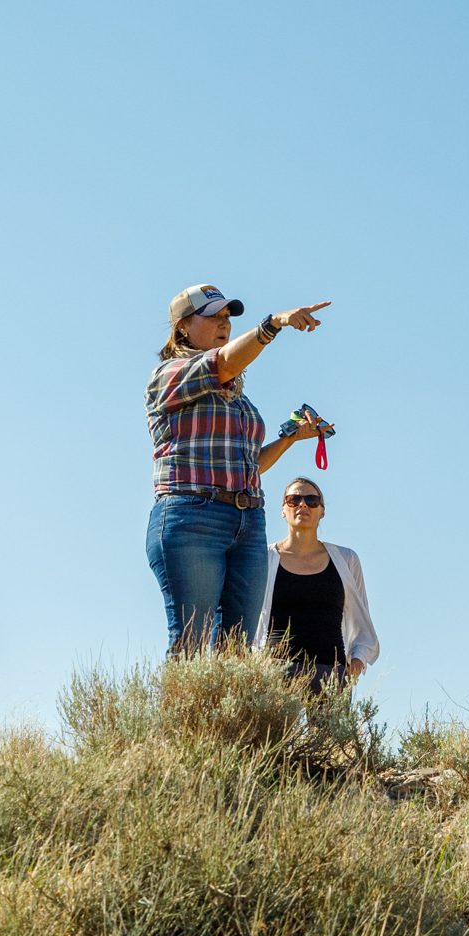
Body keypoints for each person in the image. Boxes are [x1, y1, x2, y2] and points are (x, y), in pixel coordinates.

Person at [145, 284, 331, 654]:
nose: (223, 324)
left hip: (247, 522)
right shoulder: (169, 375)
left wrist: (291, 438)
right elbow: (225, 362)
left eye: (228, 318)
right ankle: (184, 714)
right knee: (192, 646)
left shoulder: (236, 396)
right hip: (192, 518)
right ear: (182, 326)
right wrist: (273, 324)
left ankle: (226, 715)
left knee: (237, 652)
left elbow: (249, 466)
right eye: (213, 316)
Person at [254, 477, 379, 689]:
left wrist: (356, 663)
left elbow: (362, 619)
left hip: (332, 673)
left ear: (322, 511)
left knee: (331, 725)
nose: (303, 504)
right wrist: (257, 663)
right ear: (283, 509)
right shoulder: (262, 557)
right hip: (275, 671)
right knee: (271, 725)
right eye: (294, 499)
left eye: (311, 500)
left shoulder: (347, 560)